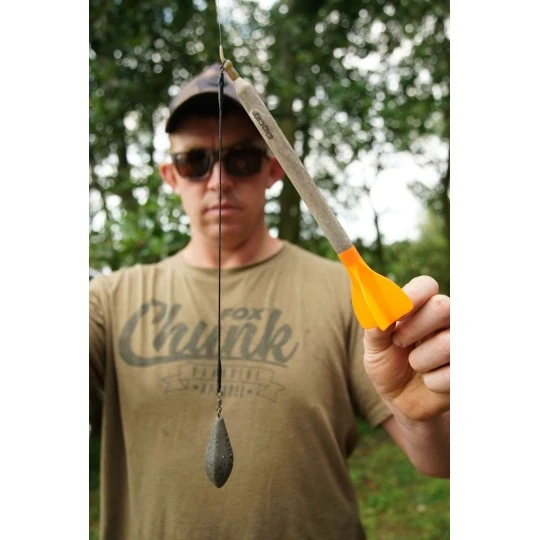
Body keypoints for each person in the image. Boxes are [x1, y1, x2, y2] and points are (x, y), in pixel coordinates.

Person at [89, 62, 450, 540]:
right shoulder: (106, 302)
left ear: (274, 167)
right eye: (195, 162)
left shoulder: (345, 297)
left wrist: (422, 414)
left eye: (241, 158)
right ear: (170, 175)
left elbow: (442, 460)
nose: (219, 180)